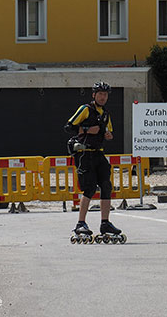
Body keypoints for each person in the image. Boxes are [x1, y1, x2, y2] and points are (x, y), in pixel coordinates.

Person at [64, 81, 122, 238]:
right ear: (94, 95)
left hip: (99, 153)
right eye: (100, 94)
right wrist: (88, 129)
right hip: (85, 154)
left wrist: (108, 135)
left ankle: (105, 222)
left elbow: (108, 131)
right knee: (89, 188)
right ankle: (80, 223)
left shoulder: (105, 114)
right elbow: (69, 127)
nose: (103, 97)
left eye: (105, 95)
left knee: (106, 186)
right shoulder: (85, 109)